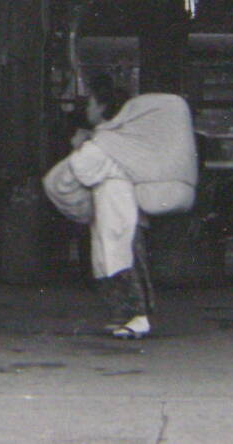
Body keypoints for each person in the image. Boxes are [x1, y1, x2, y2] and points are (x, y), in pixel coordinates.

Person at [43, 74, 197, 340]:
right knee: (120, 256)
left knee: (118, 257)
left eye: (90, 104)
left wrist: (78, 148)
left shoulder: (106, 143)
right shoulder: (121, 140)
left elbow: (80, 170)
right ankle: (126, 316)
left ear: (103, 108)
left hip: (116, 208)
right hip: (121, 209)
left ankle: (136, 317)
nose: (87, 110)